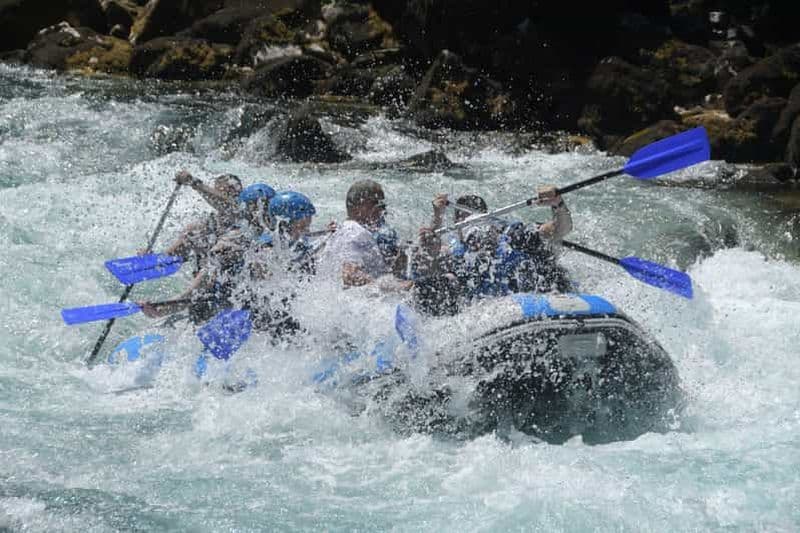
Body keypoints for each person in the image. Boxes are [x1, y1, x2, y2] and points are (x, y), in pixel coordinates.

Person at [413, 186, 573, 315]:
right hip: (487, 315)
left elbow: (560, 229)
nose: (478, 234)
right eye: (467, 224)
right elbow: (424, 272)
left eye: (482, 225)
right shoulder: (454, 254)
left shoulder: (514, 237)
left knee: (549, 264)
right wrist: (435, 224)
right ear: (457, 228)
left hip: (534, 303)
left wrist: (557, 204)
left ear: (491, 221)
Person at [317, 179, 410, 291]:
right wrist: (393, 286)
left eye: (383, 204)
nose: (382, 209)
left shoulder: (341, 230)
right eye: (376, 203)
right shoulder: (354, 233)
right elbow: (349, 275)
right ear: (358, 205)